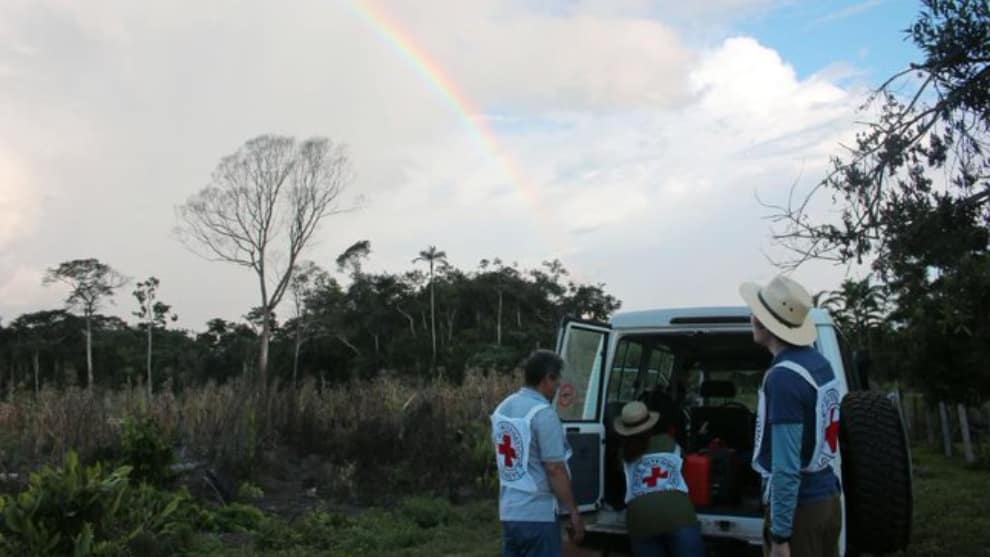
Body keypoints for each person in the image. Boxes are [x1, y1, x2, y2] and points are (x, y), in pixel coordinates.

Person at [739, 275, 843, 557]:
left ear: (762, 323)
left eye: (755, 313)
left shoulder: (783, 378)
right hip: (828, 497)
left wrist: (781, 534)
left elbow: (786, 467)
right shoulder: (819, 363)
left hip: (800, 511)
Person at [491, 349, 585, 557]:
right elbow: (555, 469)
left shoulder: (502, 409)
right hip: (538, 515)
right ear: (547, 378)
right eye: (557, 379)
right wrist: (573, 511)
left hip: (508, 513)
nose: (558, 386)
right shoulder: (544, 414)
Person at [613, 401, 704, 557]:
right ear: (651, 425)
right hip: (679, 515)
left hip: (640, 520)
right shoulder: (668, 441)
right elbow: (683, 465)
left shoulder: (623, 453)